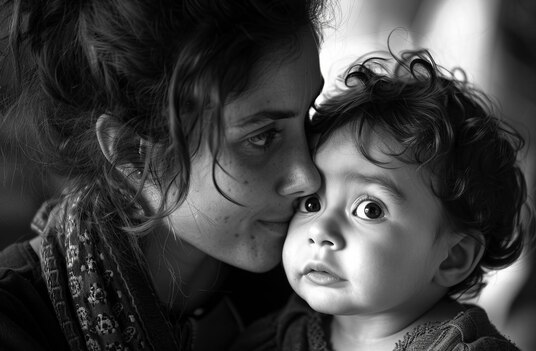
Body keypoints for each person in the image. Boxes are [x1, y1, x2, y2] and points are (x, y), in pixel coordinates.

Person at [0, 0, 327, 350]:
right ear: (131, 152)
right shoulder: (15, 325)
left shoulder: (324, 276)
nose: (308, 176)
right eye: (261, 137)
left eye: (308, 115)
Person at [229, 49, 536, 350]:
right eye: (312, 204)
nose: (320, 232)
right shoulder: (276, 337)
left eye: (369, 209)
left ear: (453, 256)